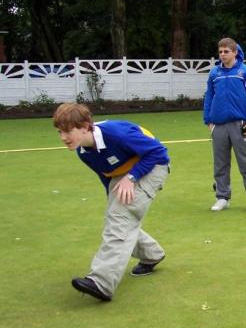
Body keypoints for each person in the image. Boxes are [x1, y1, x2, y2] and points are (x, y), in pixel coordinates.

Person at [53, 103, 170, 301]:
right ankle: (152, 254)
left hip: (153, 167)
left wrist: (131, 177)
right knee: (116, 216)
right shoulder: (83, 152)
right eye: (59, 132)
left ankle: (101, 282)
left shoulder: (117, 134)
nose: (63, 138)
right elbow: (106, 174)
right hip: (122, 173)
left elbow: (159, 153)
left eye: (67, 131)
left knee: (120, 217)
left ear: (84, 126)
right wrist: (111, 197)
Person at [203, 37, 246, 212]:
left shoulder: (245, 72)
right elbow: (209, 96)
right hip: (218, 125)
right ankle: (222, 197)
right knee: (220, 163)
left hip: (241, 124)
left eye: (226, 51)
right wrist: (208, 120)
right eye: (220, 52)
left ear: (235, 52)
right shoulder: (214, 73)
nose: (222, 55)